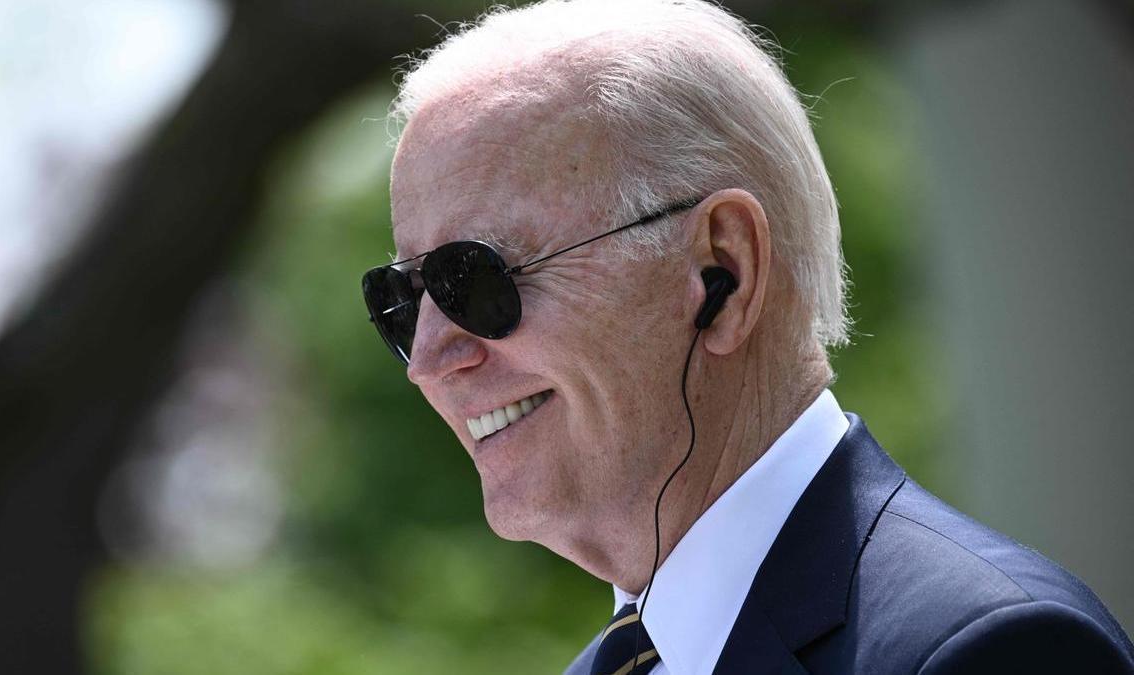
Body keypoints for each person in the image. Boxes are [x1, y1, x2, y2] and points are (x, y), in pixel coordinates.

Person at [359, 0, 1134, 672]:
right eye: (401, 298)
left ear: (720, 270)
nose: (428, 359)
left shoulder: (987, 652)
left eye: (475, 279)